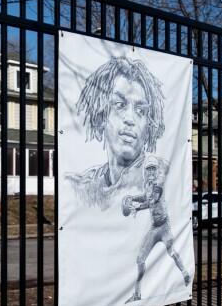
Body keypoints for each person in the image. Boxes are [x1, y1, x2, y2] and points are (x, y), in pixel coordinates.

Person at [65, 56, 166, 210]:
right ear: (100, 114)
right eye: (120, 104)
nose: (130, 119)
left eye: (140, 110)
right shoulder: (80, 187)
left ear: (149, 125)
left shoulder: (163, 173)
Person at [121, 157, 191, 302]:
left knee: (172, 252)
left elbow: (153, 200)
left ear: (156, 169)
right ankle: (137, 294)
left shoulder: (159, 181)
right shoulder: (147, 183)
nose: (151, 170)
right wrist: (132, 198)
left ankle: (185, 273)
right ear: (146, 171)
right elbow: (145, 197)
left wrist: (137, 207)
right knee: (140, 259)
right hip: (154, 227)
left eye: (153, 168)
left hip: (164, 225)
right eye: (149, 168)